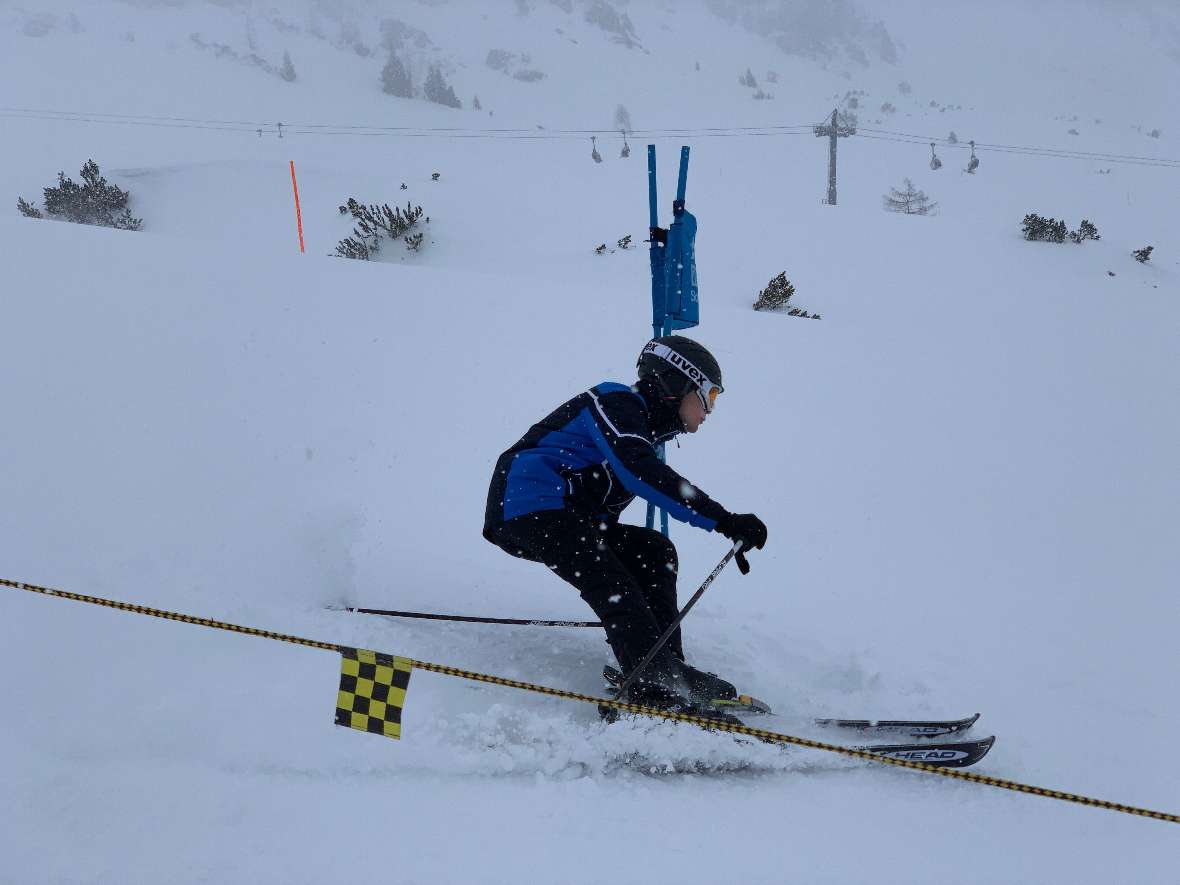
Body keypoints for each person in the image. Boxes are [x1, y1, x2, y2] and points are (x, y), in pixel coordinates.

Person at [482, 335, 768, 715]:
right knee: (612, 580)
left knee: (652, 550)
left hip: (568, 517)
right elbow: (641, 473)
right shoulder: (616, 403)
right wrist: (724, 520)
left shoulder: (643, 429)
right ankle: (653, 687)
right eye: (709, 396)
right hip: (529, 505)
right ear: (679, 382)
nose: (710, 411)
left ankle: (666, 667)